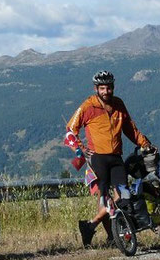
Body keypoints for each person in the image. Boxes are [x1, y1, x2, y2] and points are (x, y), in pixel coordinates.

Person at [66, 70, 154, 248]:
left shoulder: (119, 104)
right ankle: (113, 237)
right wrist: (80, 149)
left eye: (109, 88)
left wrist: (145, 144)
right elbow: (70, 131)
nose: (106, 91)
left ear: (113, 87)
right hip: (97, 158)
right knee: (104, 198)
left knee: (123, 195)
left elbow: (130, 128)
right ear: (96, 89)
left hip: (116, 157)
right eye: (102, 88)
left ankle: (90, 225)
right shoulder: (87, 106)